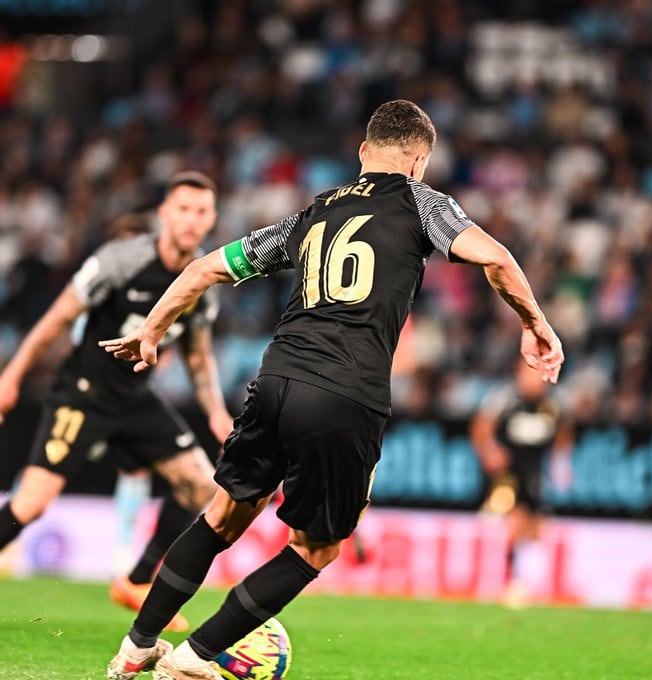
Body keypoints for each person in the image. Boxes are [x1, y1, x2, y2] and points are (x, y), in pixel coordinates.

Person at [102, 100, 564, 680]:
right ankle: (194, 658)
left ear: (364, 151)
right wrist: (536, 324)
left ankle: (137, 646)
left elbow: (203, 270)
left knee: (221, 515)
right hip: (345, 393)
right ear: (420, 160)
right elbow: (495, 258)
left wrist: (150, 331)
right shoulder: (422, 203)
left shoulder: (316, 211)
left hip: (274, 378)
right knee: (314, 548)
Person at [0, 171, 233, 633]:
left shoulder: (203, 279)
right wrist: (11, 377)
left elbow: (198, 356)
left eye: (201, 211)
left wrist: (216, 414)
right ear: (164, 214)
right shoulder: (121, 260)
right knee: (32, 501)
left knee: (201, 487)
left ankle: (136, 580)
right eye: (183, 209)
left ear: (212, 219)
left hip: (134, 400)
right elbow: (55, 320)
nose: (191, 220)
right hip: (83, 394)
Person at [470, 358, 571, 605]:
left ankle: (526, 582)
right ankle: (509, 580)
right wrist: (489, 451)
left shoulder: (553, 403)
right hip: (507, 472)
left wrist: (561, 462)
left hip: (535, 471)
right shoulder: (504, 397)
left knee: (536, 525)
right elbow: (481, 426)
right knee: (514, 519)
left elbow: (564, 432)